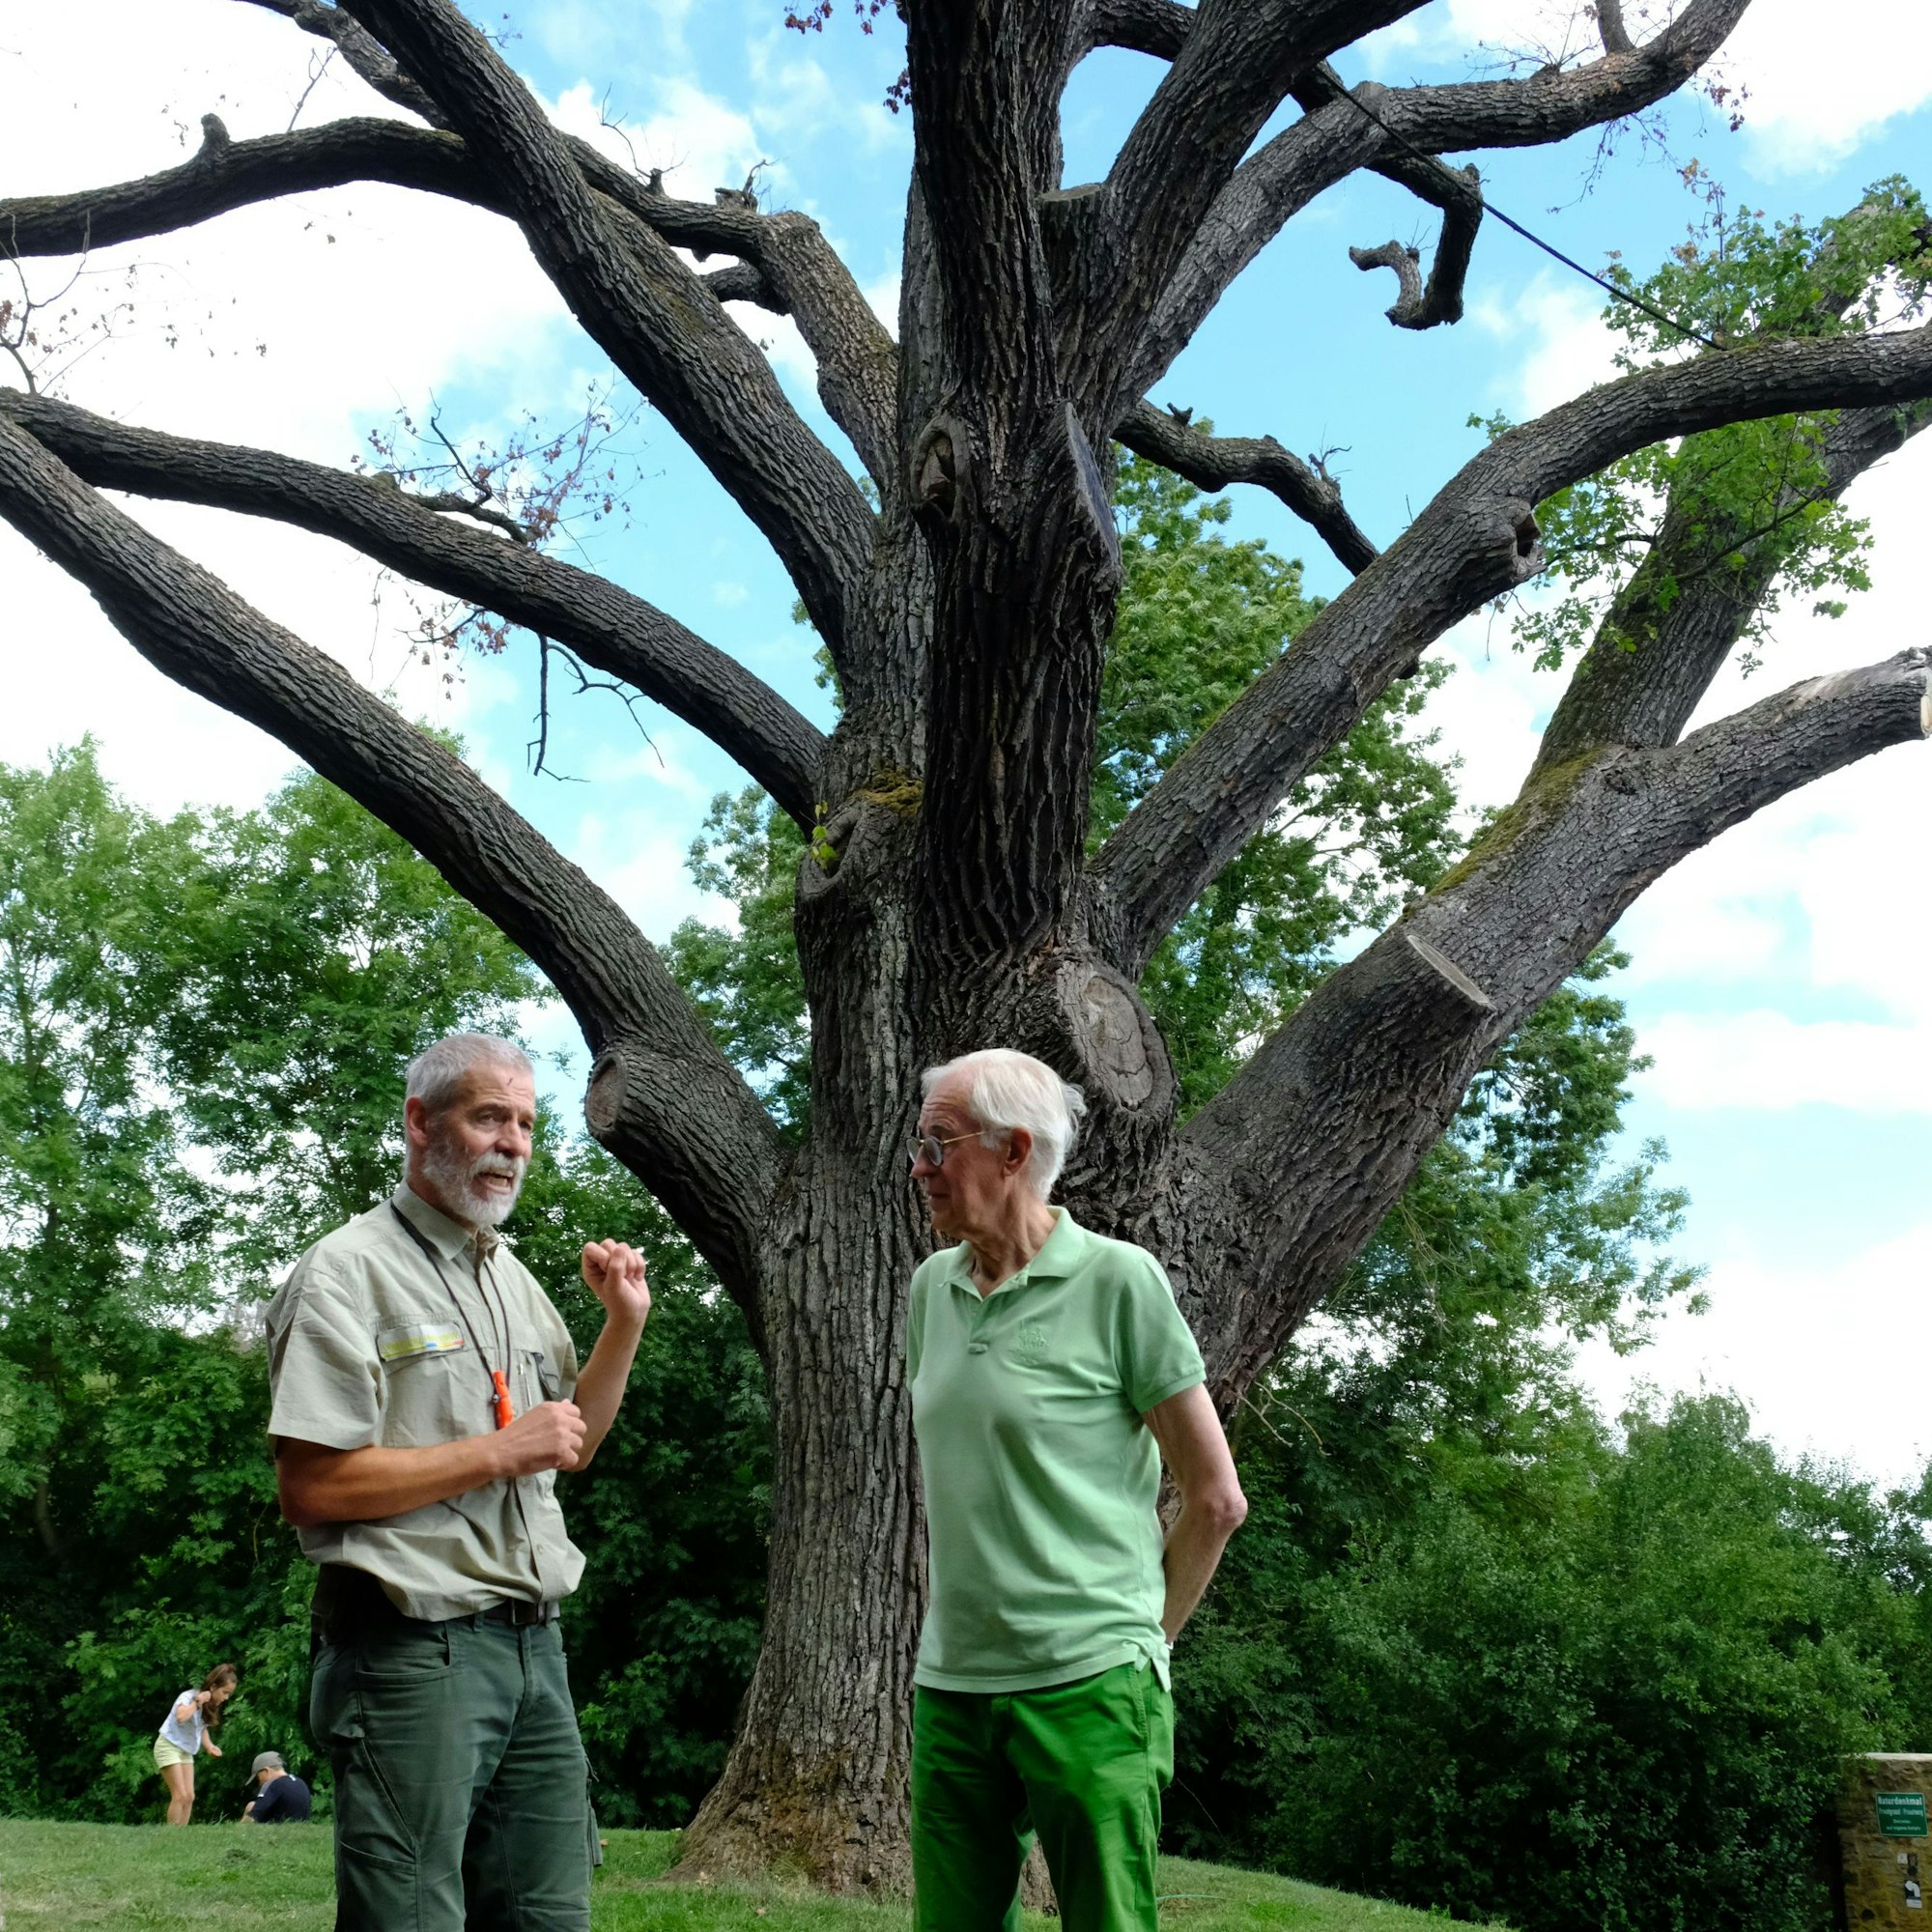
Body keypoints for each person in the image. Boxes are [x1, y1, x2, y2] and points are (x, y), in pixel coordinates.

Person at [264, 1032, 651, 1932]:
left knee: (547, 1915)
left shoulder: (510, 1276)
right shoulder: (346, 1273)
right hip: (410, 1655)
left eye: (524, 1123)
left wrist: (623, 1324)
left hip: (534, 1651)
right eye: (489, 1118)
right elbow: (311, 1488)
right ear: (419, 1123)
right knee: (407, 1917)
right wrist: (497, 1451)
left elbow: (569, 1444)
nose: (512, 1142)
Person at [905, 1048, 1248, 1932]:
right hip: (953, 1683)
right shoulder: (930, 1293)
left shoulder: (1118, 1282)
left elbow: (1215, 1497)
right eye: (919, 1146)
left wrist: (1143, 1649)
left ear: (1014, 1151)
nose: (920, 1169)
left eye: (938, 1146)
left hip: (1091, 1684)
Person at [153, 1662, 237, 1826]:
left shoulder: (211, 1706)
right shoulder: (188, 1697)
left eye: (229, 1694)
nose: (226, 1697)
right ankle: (170, 1835)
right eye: (225, 1692)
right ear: (213, 1687)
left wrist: (210, 1746)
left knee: (190, 1796)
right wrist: (197, 1703)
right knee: (180, 1795)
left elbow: (201, 1729)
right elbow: (181, 1717)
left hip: (185, 1751)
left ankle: (181, 1835)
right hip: (168, 1746)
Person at [242, 1750, 312, 1824]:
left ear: (266, 1770)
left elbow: (253, 1816)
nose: (259, 1782)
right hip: (299, 1827)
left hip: (278, 1830)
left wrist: (237, 1830)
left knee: (251, 1806)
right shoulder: (300, 1782)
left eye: (258, 1777)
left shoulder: (274, 1785)